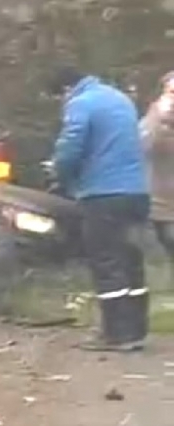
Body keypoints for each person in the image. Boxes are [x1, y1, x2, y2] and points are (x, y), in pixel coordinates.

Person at [50, 67, 150, 352]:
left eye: (59, 97)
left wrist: (60, 174)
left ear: (67, 89)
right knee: (131, 259)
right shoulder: (119, 98)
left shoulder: (81, 104)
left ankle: (116, 334)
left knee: (106, 261)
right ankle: (137, 330)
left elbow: (71, 147)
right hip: (136, 191)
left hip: (103, 193)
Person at [139, 72, 174, 283]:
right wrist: (158, 116)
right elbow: (144, 145)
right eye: (171, 92)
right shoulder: (153, 122)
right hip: (163, 204)